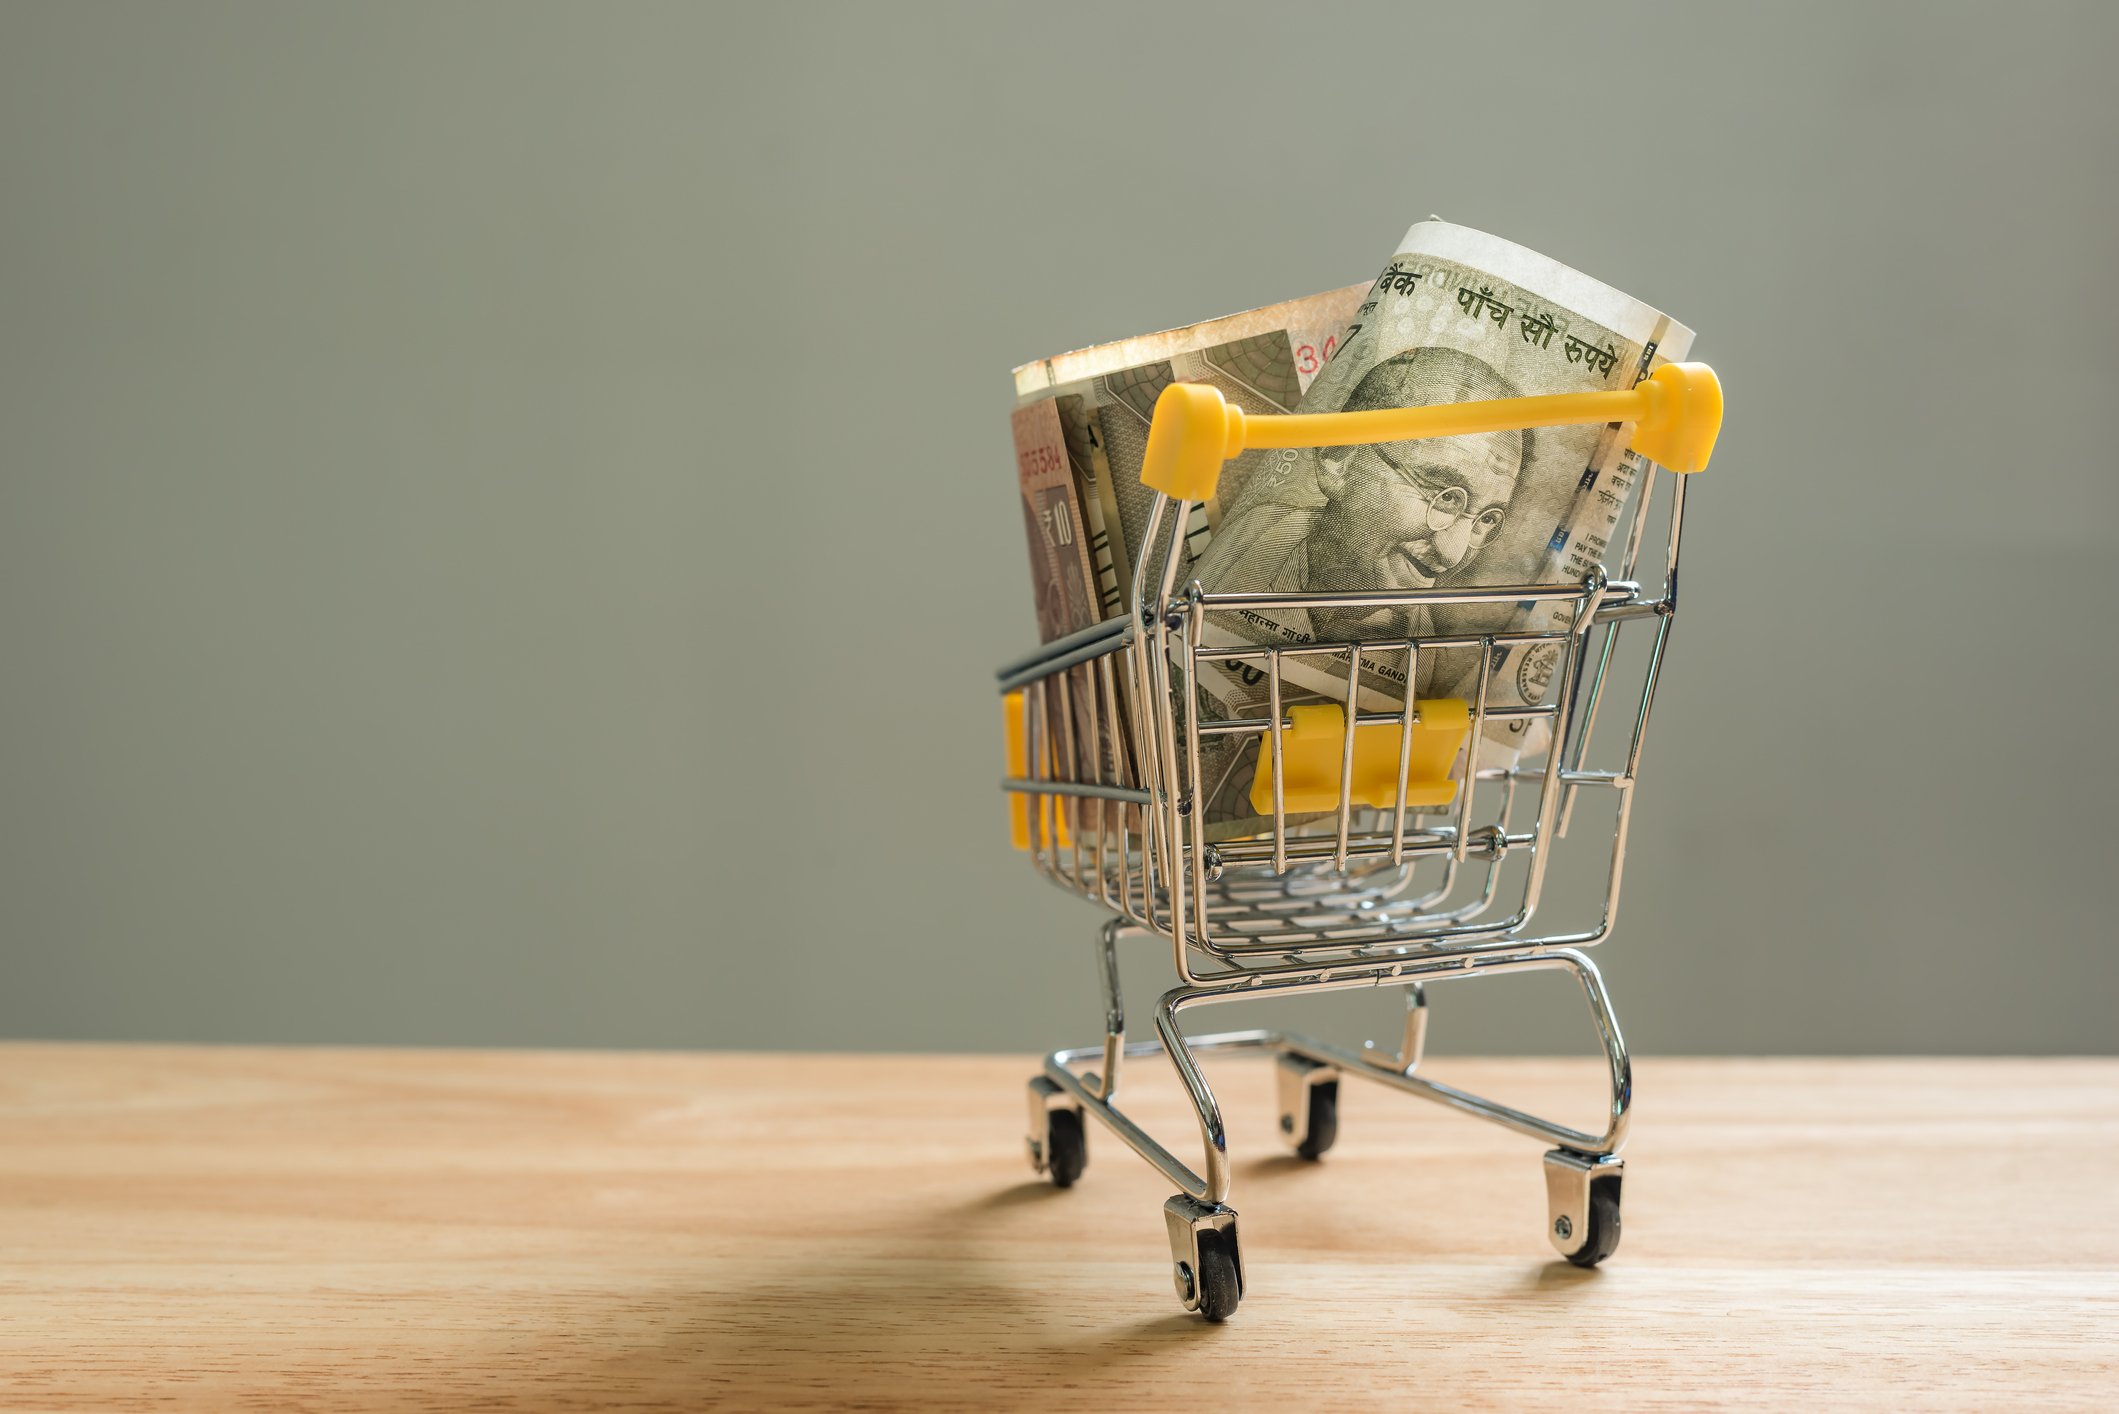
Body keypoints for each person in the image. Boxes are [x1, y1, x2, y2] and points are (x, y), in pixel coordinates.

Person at [1190, 344, 1527, 692]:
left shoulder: (1420, 659)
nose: (1452, 554)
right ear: (1339, 457)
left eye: (1486, 519)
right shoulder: (1248, 539)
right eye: (1443, 494)